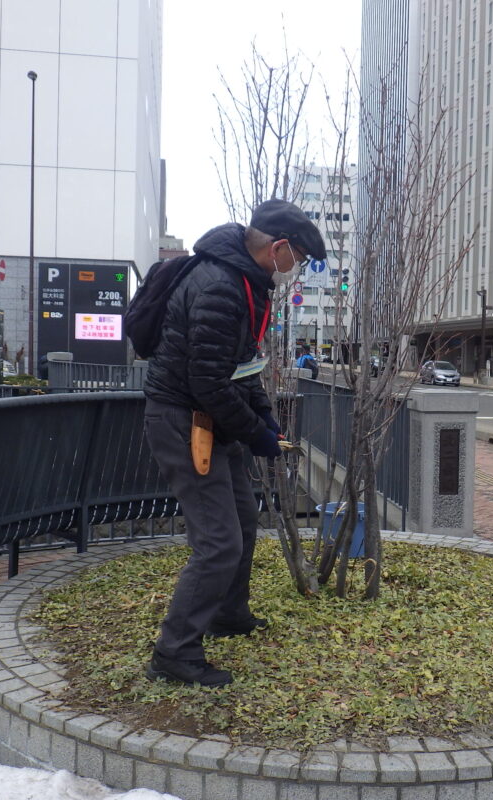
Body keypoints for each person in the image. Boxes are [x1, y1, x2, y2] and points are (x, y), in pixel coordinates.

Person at [142, 199, 326, 687]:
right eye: (300, 260)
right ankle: (174, 651)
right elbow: (207, 381)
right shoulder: (222, 285)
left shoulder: (245, 282)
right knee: (219, 542)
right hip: (184, 419)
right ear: (279, 248)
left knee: (243, 520)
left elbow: (240, 366)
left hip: (209, 418)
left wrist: (265, 419)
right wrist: (257, 433)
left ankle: (228, 614)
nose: (298, 270)